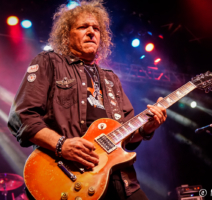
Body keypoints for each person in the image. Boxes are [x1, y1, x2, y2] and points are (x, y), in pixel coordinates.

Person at [7, 1, 167, 199]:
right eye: (83, 27)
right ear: (66, 35)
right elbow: (22, 116)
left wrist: (146, 129)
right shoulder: (49, 62)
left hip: (120, 180)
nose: (92, 32)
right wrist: (61, 145)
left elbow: (127, 135)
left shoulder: (111, 79)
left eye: (96, 28)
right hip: (68, 175)